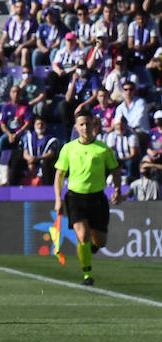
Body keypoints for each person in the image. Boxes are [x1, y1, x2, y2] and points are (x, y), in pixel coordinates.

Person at [54, 112, 122, 286]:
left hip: (97, 198)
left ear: (94, 126)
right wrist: (58, 199)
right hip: (75, 197)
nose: (85, 127)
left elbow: (115, 169)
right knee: (83, 236)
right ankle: (87, 274)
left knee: (100, 242)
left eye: (88, 124)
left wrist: (117, 189)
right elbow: (59, 175)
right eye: (81, 124)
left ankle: (92, 247)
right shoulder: (68, 148)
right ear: (76, 127)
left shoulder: (103, 149)